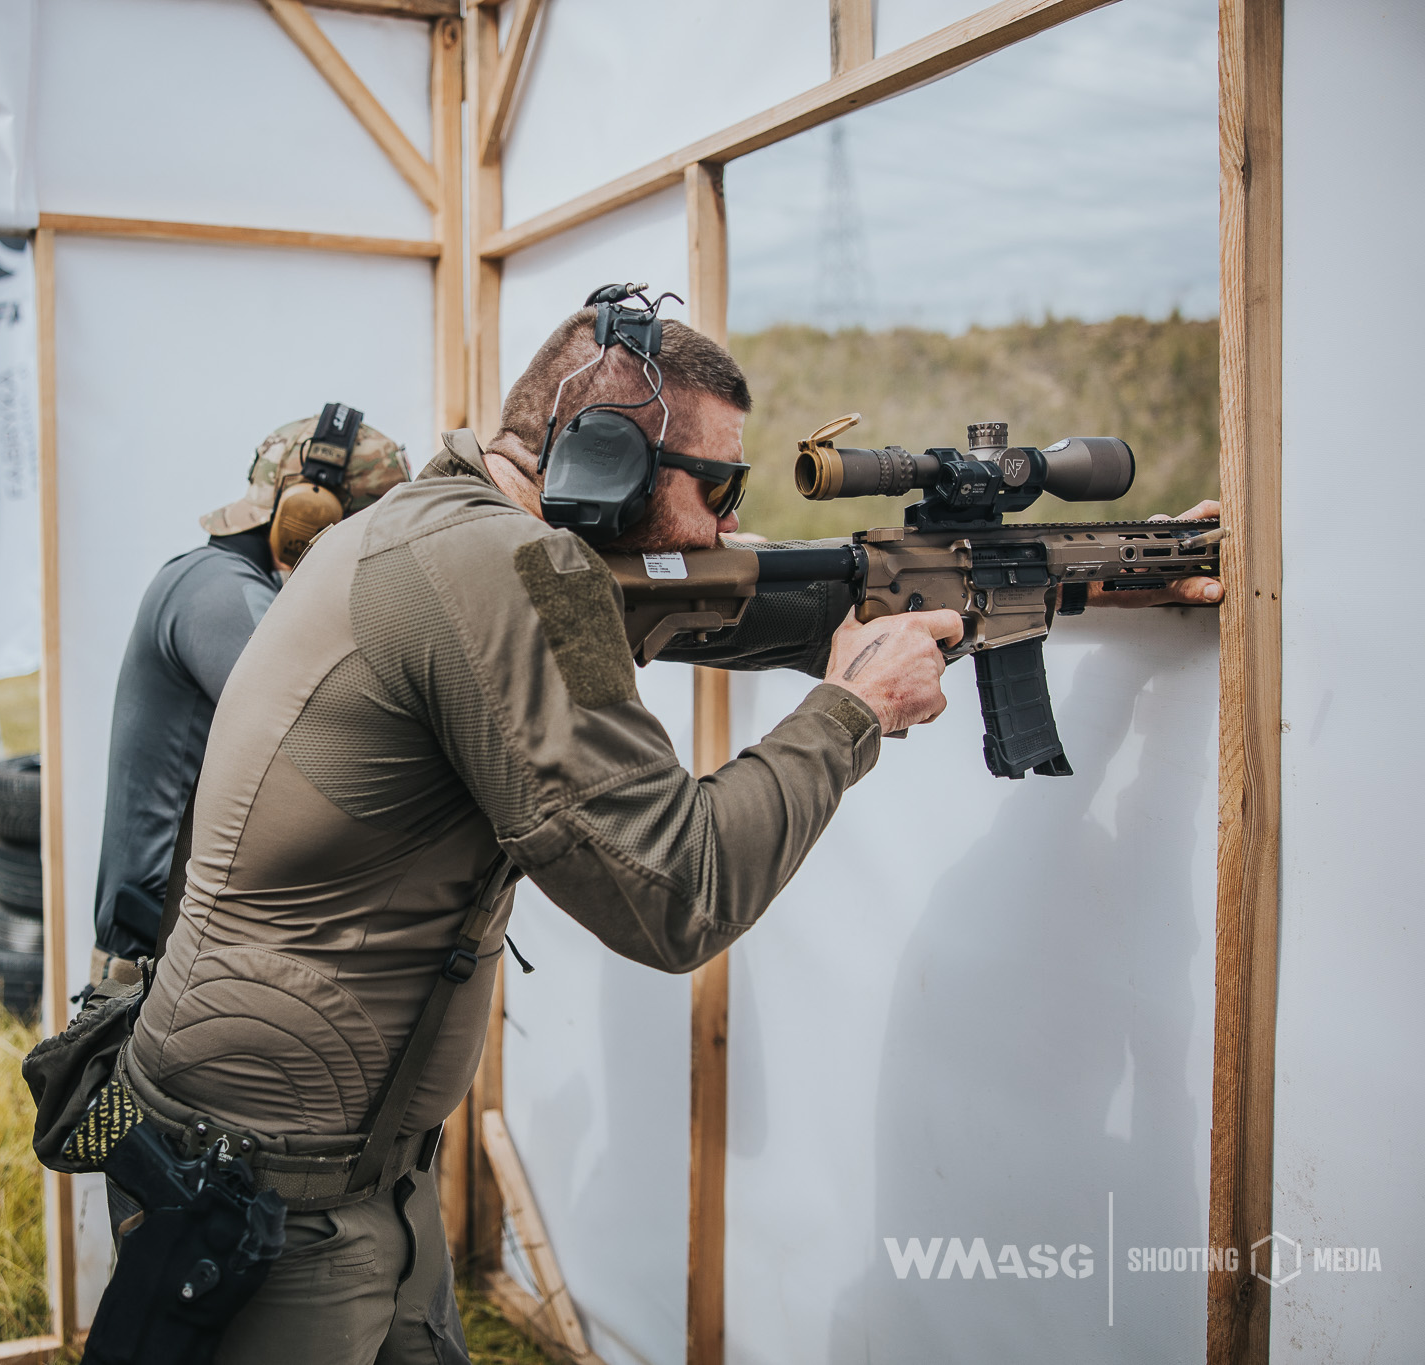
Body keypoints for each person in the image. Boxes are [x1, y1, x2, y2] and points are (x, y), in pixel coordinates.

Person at [93, 305, 1223, 1362]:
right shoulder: (500, 567)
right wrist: (849, 713)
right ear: (604, 462)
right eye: (717, 484)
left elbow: (737, 597)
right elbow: (675, 892)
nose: (730, 520)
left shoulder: (441, 523)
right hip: (271, 1196)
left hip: (334, 1167)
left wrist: (1101, 571)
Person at [89, 408, 409, 975]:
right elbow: (329, 740)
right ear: (310, 514)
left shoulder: (226, 585)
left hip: (176, 957)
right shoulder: (219, 593)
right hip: (153, 966)